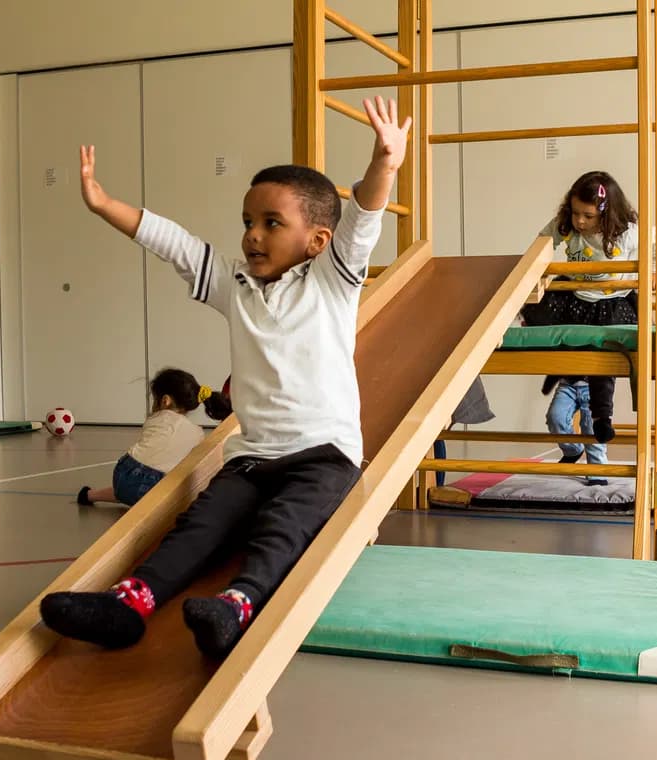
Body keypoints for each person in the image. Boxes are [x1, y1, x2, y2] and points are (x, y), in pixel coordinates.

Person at [39, 96, 410, 660]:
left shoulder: (332, 281)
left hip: (324, 456)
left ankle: (238, 604)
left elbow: (362, 219)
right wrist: (103, 204)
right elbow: (175, 244)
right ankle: (129, 605)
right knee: (200, 524)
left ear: (315, 241)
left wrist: (385, 160)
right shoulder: (234, 286)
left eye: (271, 223)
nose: (252, 236)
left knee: (284, 528)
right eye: (247, 223)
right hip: (253, 456)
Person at [521, 170, 641, 444]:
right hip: (575, 296)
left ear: (606, 214)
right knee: (536, 312)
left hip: (611, 303)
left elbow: (656, 249)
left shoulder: (626, 233)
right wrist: (533, 270)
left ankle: (602, 417)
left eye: (588, 216)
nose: (580, 221)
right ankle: (564, 372)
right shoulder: (568, 224)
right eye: (576, 213)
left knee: (602, 351)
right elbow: (540, 246)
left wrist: (651, 275)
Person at [77, 367, 231, 507]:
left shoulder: (156, 418)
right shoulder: (197, 433)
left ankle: (90, 495)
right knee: (170, 481)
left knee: (134, 484)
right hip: (153, 487)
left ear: (165, 401)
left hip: (123, 473)